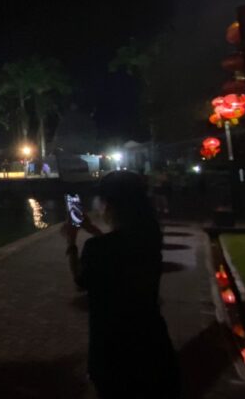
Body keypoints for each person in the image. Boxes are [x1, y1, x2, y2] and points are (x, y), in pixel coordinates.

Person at [64, 171, 179, 399]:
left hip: (113, 351)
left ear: (110, 205)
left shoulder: (97, 249)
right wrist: (93, 230)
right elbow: (119, 245)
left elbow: (81, 280)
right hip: (153, 344)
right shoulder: (151, 236)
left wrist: (71, 242)